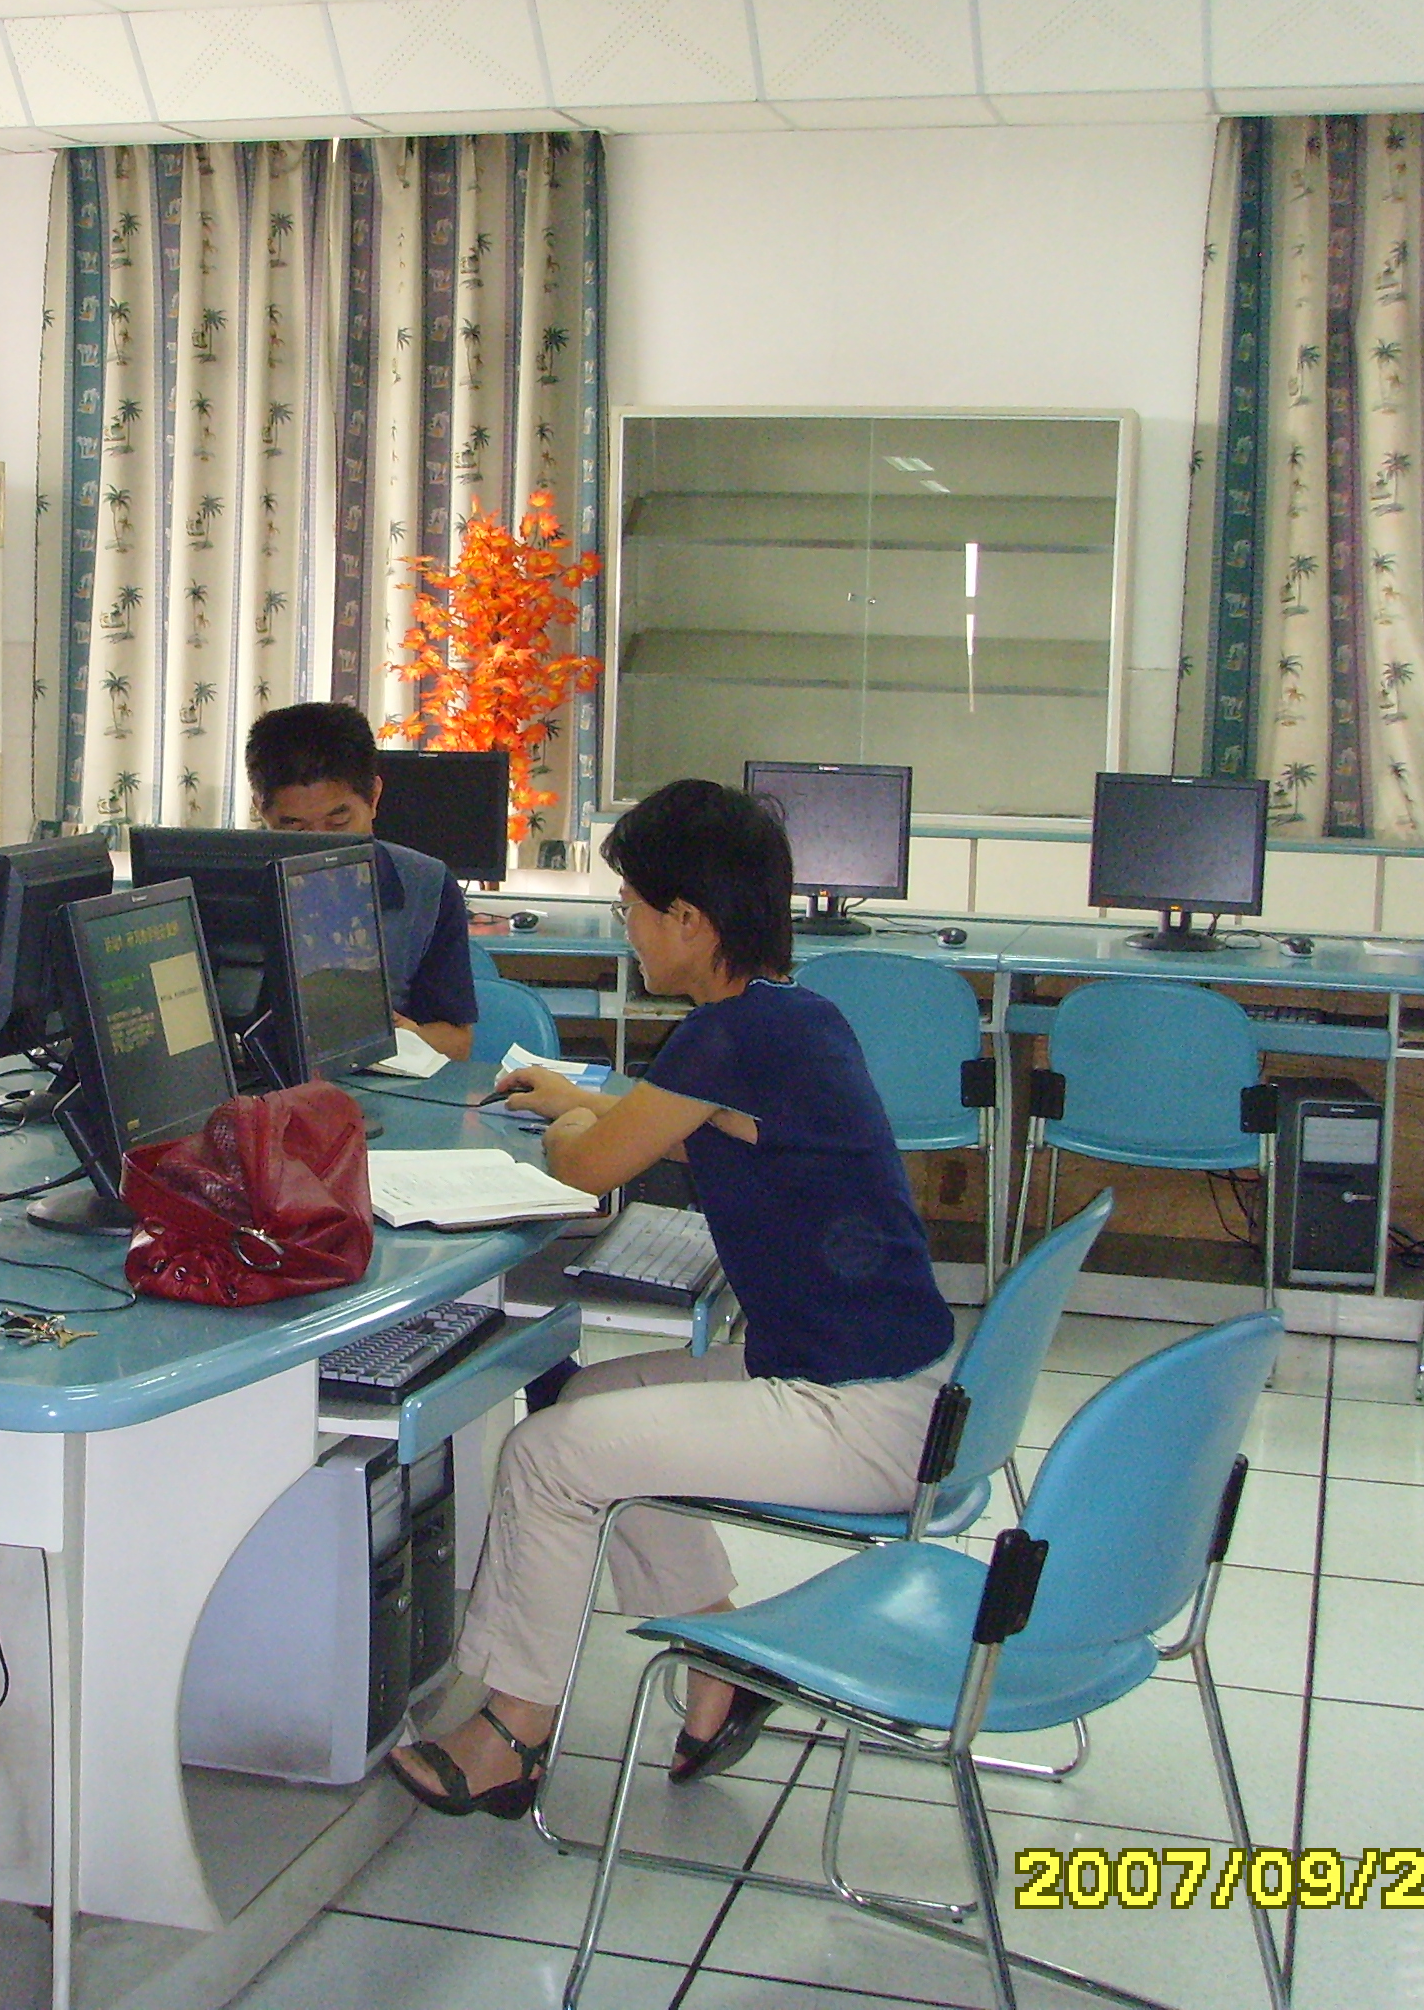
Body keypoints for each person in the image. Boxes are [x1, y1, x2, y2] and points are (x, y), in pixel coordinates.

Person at [387, 779, 955, 1816]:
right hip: (889, 1382)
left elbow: (586, 1167)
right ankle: (717, 1669)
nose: (629, 929)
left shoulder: (725, 1038)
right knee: (588, 1400)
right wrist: (584, 1102)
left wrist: (573, 1127)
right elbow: (694, 1126)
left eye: (633, 909)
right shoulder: (792, 1019)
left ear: (687, 920)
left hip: (857, 1412)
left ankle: (511, 1731)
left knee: (548, 1455)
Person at [244, 701, 478, 1059]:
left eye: (339, 823)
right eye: (295, 828)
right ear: (261, 809)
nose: (320, 844)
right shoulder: (226, 881)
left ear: (374, 797)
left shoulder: (425, 885)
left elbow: (458, 1043)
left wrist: (407, 1036)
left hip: (379, 1080)